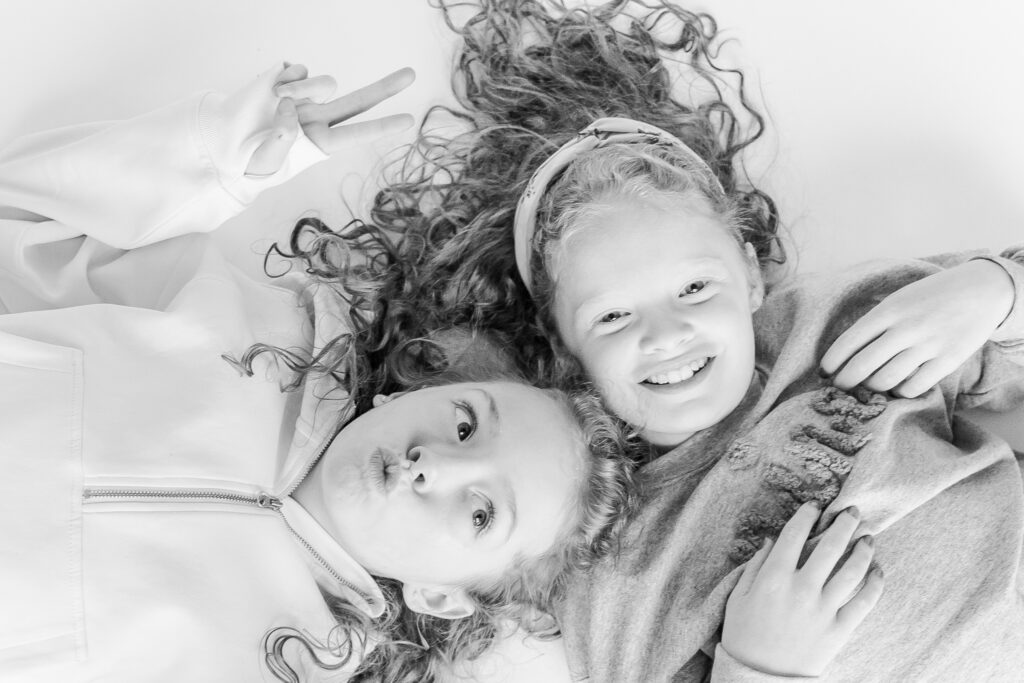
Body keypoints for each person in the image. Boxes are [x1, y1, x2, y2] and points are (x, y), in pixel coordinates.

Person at [349, 1, 1024, 680]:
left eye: (697, 289)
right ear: (565, 352)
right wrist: (755, 663)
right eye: (612, 318)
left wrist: (997, 288)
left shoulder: (835, 321)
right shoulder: (609, 565)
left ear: (751, 277)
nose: (667, 335)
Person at [0, 61, 643, 682]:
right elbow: (23, 233)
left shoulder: (277, 666)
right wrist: (214, 163)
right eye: (467, 423)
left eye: (481, 514)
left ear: (442, 598)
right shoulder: (253, 329)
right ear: (410, 394)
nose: (435, 463)